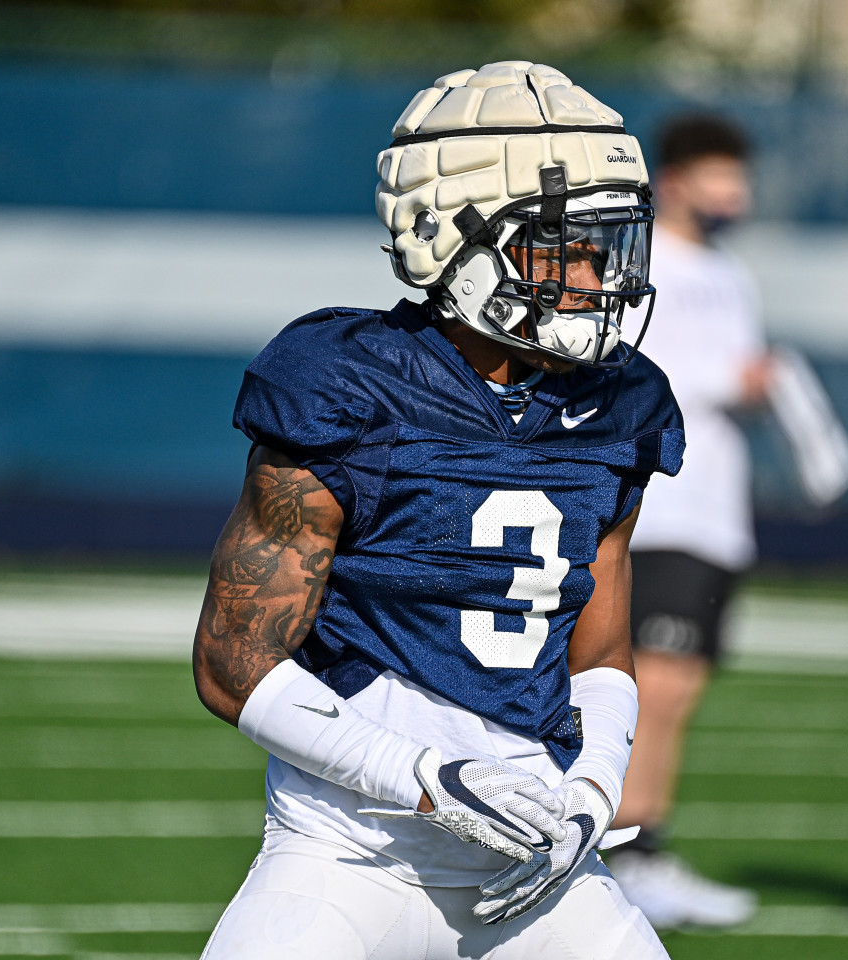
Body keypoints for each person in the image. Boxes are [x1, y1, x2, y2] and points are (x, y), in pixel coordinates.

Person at [191, 61, 685, 960]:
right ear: (446, 237)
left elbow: (603, 647)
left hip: (535, 862)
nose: (595, 274)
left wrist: (594, 792)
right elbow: (234, 663)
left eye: (608, 243)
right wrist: (421, 777)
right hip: (346, 854)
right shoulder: (347, 381)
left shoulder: (623, 403)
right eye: (562, 244)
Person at [606, 113, 770, 929]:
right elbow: (632, 369)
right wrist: (731, 379)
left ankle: (643, 847)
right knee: (652, 686)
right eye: (717, 173)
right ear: (675, 180)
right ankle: (624, 851)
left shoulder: (733, 274)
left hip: (716, 514)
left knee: (681, 688)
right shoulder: (639, 265)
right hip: (659, 506)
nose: (733, 193)